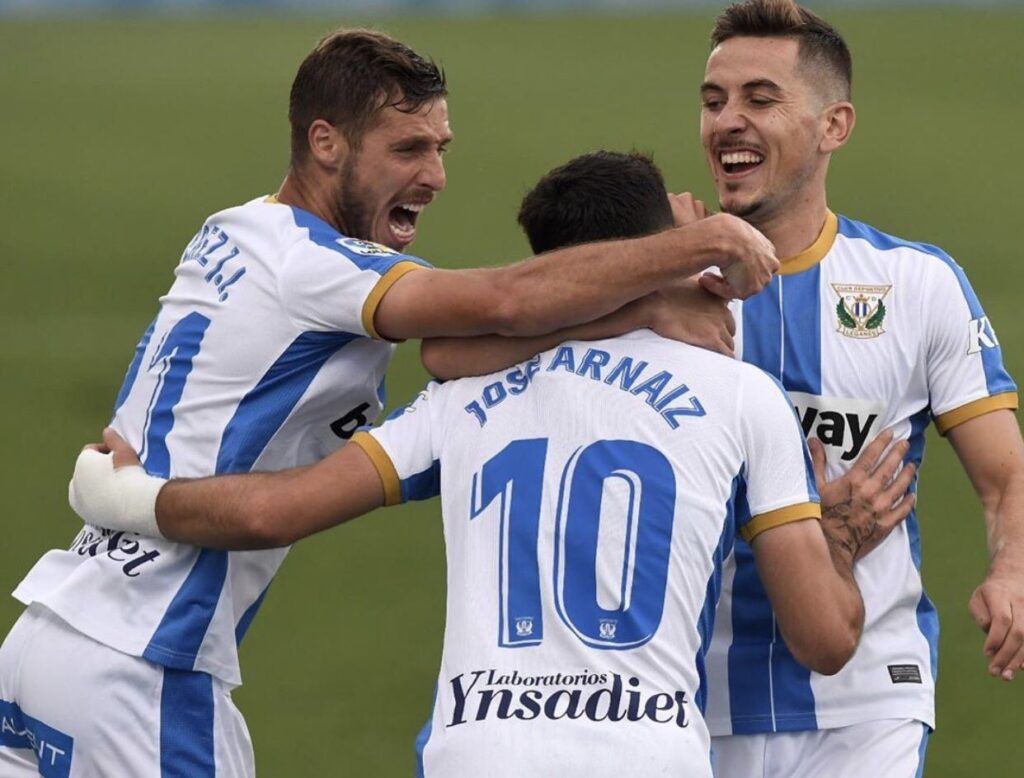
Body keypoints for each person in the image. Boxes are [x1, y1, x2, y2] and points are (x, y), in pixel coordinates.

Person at [0, 29, 778, 778]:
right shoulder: (318, 267)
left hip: (48, 638)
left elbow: (451, 351)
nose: (435, 175)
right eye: (408, 149)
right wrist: (697, 245)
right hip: (144, 663)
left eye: (440, 148)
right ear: (326, 142)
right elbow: (503, 302)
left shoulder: (237, 232)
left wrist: (641, 311)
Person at [66, 151, 908, 777]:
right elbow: (824, 638)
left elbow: (271, 512)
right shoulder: (741, 395)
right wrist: (838, 539)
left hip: (475, 753)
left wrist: (125, 497)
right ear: (660, 248)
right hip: (645, 755)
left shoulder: (463, 394)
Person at [693, 2, 1024, 777]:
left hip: (869, 701)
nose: (727, 122)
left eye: (759, 99)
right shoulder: (662, 285)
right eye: (714, 102)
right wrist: (810, 528)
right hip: (690, 702)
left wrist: (1010, 571)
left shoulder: (917, 284)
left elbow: (1005, 476)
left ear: (834, 124)